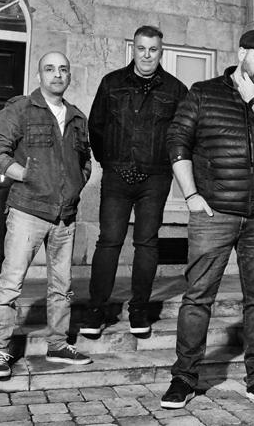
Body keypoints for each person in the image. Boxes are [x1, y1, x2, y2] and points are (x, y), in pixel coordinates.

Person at [160, 29, 254, 409]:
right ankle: (183, 377)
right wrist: (191, 195)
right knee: (198, 298)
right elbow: (177, 141)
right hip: (214, 213)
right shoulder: (203, 92)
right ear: (241, 53)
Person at [0, 51, 92, 378]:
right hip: (28, 210)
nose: (57, 74)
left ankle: (58, 344)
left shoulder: (77, 117)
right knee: (11, 284)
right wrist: (26, 175)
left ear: (69, 75)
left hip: (65, 215)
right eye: (50, 69)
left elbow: (85, 162)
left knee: (62, 286)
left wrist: (75, 185)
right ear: (39, 75)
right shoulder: (20, 108)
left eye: (63, 69)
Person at [79, 25, 187, 337]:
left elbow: (181, 134)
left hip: (156, 178)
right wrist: (111, 162)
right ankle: (96, 310)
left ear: (161, 52)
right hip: (116, 176)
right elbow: (96, 127)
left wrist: (163, 165)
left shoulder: (176, 90)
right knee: (109, 241)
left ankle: (139, 310)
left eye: (153, 50)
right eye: (141, 48)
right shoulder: (111, 83)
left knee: (147, 243)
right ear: (134, 49)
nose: (147, 55)